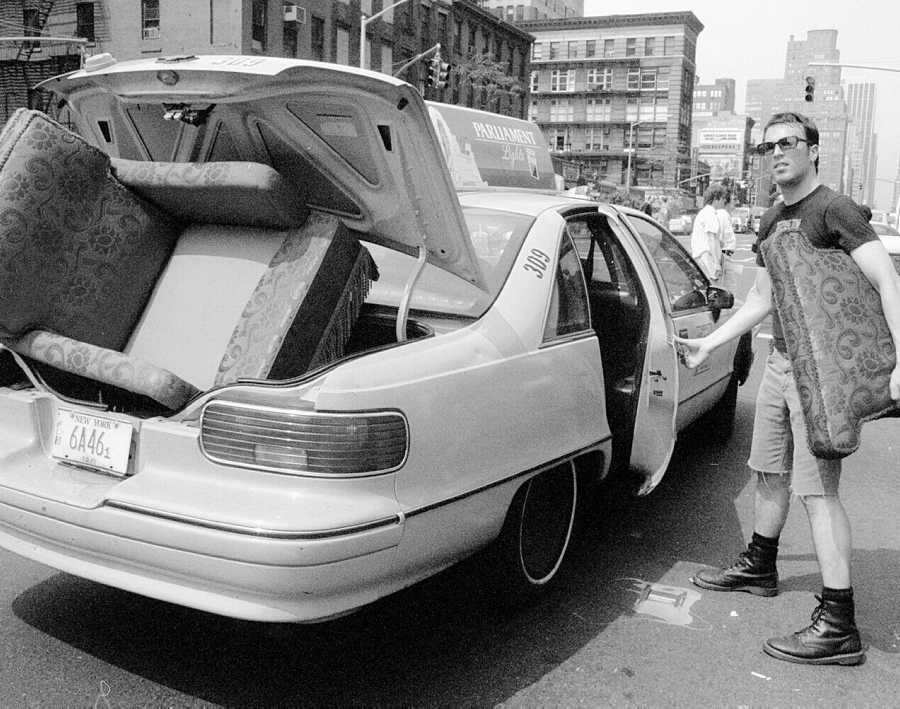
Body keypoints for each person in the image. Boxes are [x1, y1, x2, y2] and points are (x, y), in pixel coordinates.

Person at [675, 111, 900, 666]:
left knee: (818, 490)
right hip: (780, 363)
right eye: (768, 147)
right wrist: (710, 342)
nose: (777, 153)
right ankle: (759, 564)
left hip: (818, 375)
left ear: (812, 151)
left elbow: (885, 281)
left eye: (788, 144)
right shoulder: (774, 217)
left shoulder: (835, 210)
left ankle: (839, 622)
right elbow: (760, 299)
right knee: (768, 470)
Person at [690, 184, 729, 284]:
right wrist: (716, 262)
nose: (725, 201)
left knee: (706, 284)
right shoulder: (710, 214)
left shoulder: (704, 213)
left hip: (701, 254)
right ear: (716, 198)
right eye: (723, 198)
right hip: (707, 254)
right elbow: (711, 239)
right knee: (713, 285)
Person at [717, 191, 738, 295]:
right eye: (734, 200)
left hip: (724, 258)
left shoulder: (725, 216)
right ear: (726, 201)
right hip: (723, 258)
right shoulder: (722, 216)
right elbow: (717, 240)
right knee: (729, 293)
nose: (736, 202)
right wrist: (721, 261)